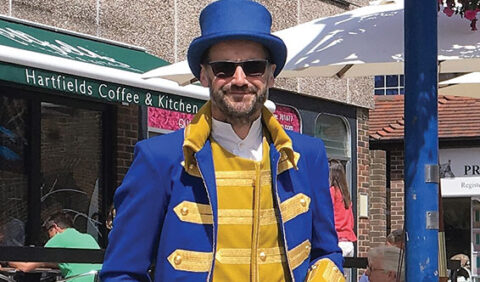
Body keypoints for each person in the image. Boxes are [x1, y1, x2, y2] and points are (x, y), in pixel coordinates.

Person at [100, 0, 343, 281]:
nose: (239, 80)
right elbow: (122, 272)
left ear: (270, 74)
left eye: (253, 67)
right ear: (204, 75)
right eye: (224, 68)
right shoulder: (159, 159)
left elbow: (326, 252)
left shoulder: (308, 156)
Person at [8, 212, 102, 282]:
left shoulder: (58, 238)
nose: (49, 236)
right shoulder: (88, 237)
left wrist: (7, 261)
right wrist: (43, 264)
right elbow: (72, 263)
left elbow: (26, 266)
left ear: (55, 228)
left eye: (49, 232)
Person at [329, 159, 357, 257]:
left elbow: (327, 216)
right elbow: (351, 221)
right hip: (348, 243)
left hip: (337, 241)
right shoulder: (345, 195)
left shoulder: (332, 192)